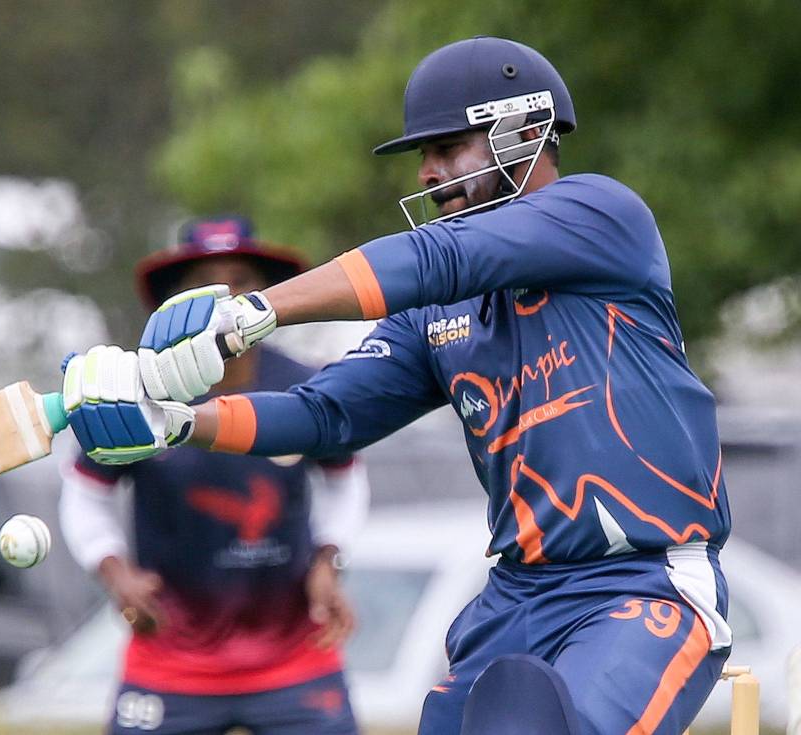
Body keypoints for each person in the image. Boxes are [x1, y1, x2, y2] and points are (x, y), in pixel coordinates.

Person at [63, 37, 732, 734]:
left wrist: (250, 313)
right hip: (517, 593)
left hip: (642, 583)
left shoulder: (603, 216)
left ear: (528, 131)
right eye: (425, 154)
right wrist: (176, 421)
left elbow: (438, 256)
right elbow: (324, 414)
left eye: (449, 146)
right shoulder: (437, 315)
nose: (431, 171)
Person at [58, 216, 368, 735]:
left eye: (241, 281)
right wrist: (116, 574)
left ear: (265, 295)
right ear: (177, 299)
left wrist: (328, 560)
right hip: (171, 662)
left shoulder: (308, 387)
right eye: (204, 284)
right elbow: (85, 491)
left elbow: (346, 480)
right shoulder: (134, 391)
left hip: (295, 657)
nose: (224, 300)